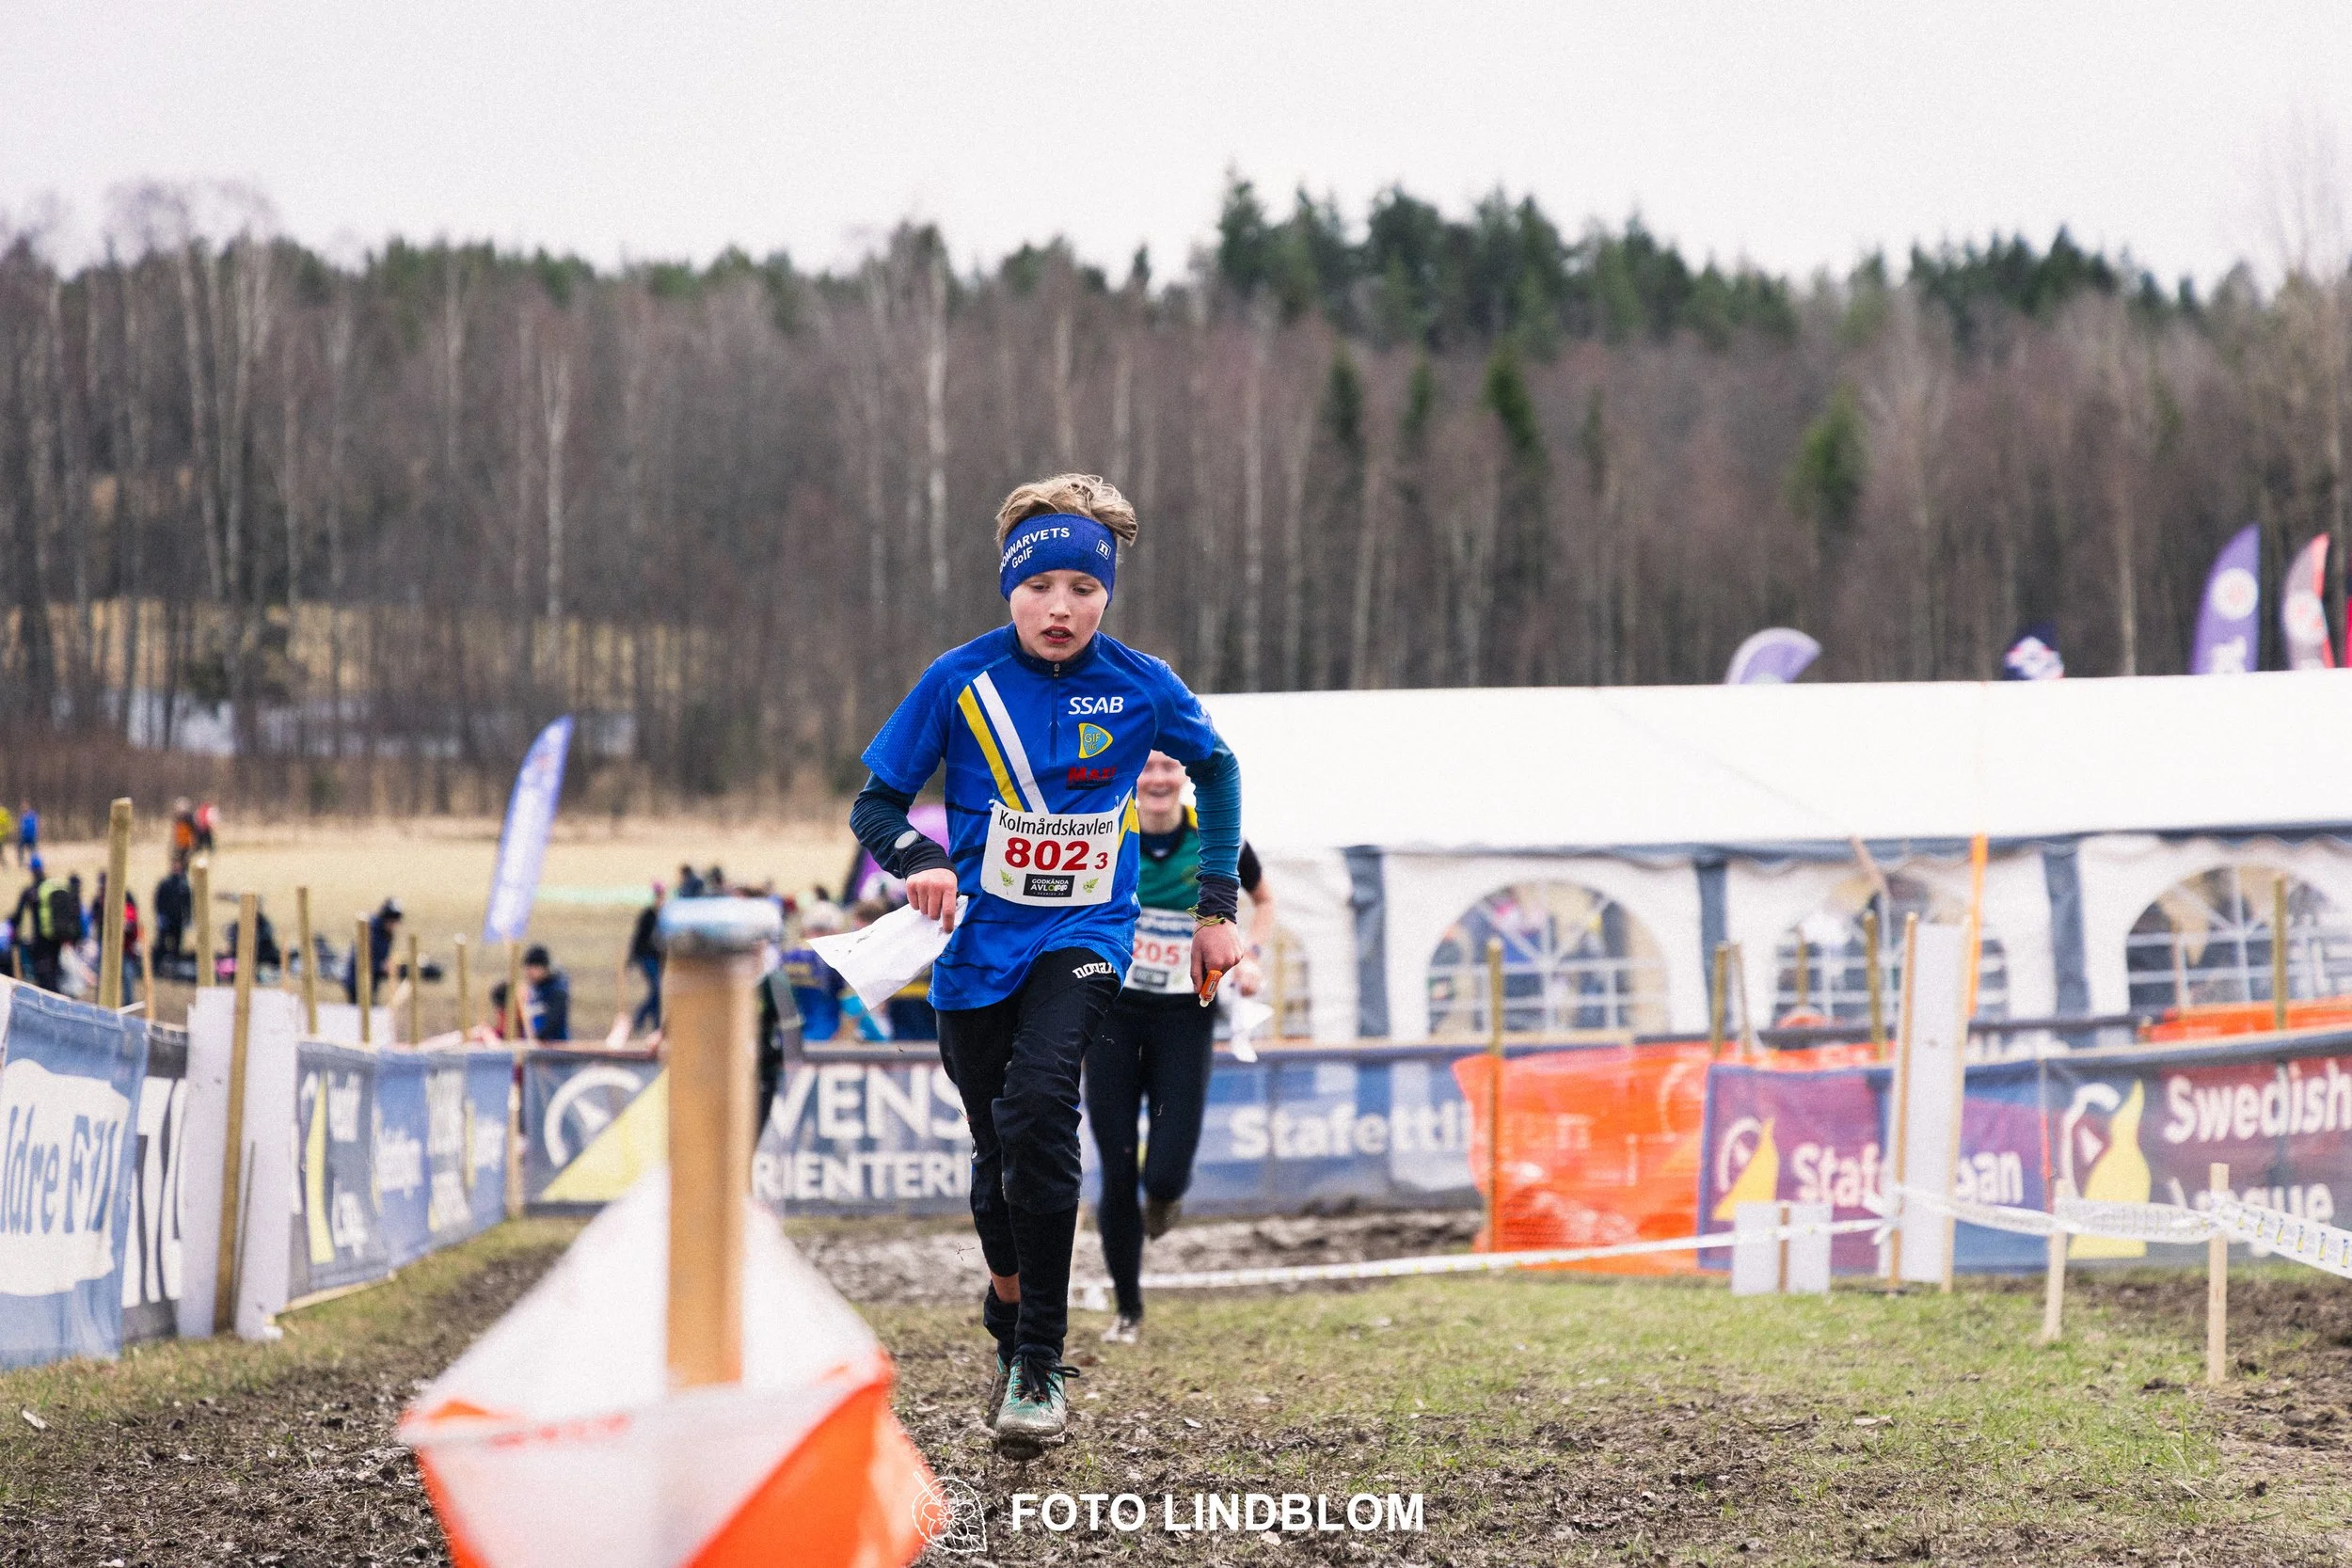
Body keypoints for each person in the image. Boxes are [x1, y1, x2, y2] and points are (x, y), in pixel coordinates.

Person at [850, 472, 1243, 1449]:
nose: (1059, 607)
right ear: (1007, 588)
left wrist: (1215, 907)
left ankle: (1039, 1363)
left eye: (1082, 586)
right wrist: (921, 860)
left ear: (1107, 593)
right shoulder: (957, 680)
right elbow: (875, 806)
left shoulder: (1142, 684)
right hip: (975, 949)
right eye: (1039, 587)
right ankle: (1009, 1302)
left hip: (1086, 937)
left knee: (1039, 1108)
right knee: (996, 1166)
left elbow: (1219, 766)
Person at [1088, 749, 1277, 1344]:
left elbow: (1264, 900)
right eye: (1146, 769)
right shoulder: (1105, 828)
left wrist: (1251, 954)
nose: (1159, 779)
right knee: (1117, 1167)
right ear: (1129, 776)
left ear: (1185, 779)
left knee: (1166, 1172)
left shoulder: (1217, 839)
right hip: (1111, 1015)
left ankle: (1165, 1198)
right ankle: (1129, 1308)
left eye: (1170, 768)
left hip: (1184, 1019)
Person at [345, 898, 402, 1001]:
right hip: (356, 981)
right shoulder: (371, 931)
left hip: (371, 980)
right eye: (392, 921)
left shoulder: (386, 933)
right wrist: (381, 966)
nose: (394, 925)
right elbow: (359, 958)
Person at [628, 882, 665, 1034]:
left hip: (658, 959)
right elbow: (637, 938)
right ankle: (640, 1017)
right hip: (645, 956)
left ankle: (656, 1023)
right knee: (657, 989)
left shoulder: (663, 916)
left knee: (658, 992)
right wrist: (631, 959)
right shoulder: (647, 915)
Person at [151, 853, 193, 977]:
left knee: (177, 946)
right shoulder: (165, 883)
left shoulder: (184, 885)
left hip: (178, 920)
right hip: (166, 919)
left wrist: (188, 919)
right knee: (161, 944)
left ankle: (175, 970)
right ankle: (156, 968)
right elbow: (158, 900)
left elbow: (188, 903)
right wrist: (160, 916)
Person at [523, 944, 571, 1041]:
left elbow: (553, 1021)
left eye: (533, 969)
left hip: (554, 1047)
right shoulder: (534, 988)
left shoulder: (557, 990)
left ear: (544, 968)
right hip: (534, 1045)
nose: (529, 973)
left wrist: (537, 1038)